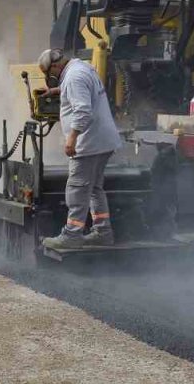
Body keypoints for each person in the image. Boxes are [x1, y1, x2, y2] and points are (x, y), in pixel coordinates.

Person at [37, 48, 123, 250]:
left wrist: (72, 138)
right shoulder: (82, 68)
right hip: (103, 140)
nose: (49, 77)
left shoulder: (74, 77)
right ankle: (103, 232)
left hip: (88, 142)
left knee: (77, 188)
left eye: (48, 72)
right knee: (94, 188)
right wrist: (56, 91)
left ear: (56, 65)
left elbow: (83, 111)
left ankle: (72, 235)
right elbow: (81, 91)